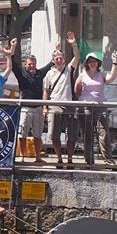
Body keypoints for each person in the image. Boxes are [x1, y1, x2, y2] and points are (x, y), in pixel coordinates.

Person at [12, 35, 63, 163]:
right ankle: (22, 156)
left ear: (36, 64)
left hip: (38, 109)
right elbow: (13, 65)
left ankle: (37, 157)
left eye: (33, 64)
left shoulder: (40, 73)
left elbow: (52, 62)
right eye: (29, 64)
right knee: (22, 134)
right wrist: (12, 48)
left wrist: (57, 48)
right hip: (25, 108)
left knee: (37, 135)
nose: (31, 66)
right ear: (26, 64)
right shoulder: (22, 75)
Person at [74, 50, 117, 167]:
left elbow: (111, 78)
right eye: (90, 62)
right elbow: (77, 89)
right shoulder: (82, 75)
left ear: (98, 63)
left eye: (94, 61)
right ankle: (89, 161)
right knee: (87, 135)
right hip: (86, 107)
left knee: (104, 133)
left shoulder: (102, 74)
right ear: (87, 63)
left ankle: (108, 160)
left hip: (100, 106)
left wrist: (114, 63)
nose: (92, 63)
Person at [44, 33, 81, 168]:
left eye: (61, 57)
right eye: (56, 58)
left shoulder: (69, 69)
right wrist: (45, 107)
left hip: (69, 105)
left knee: (71, 136)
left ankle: (70, 158)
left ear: (64, 59)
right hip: (54, 105)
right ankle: (59, 158)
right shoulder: (49, 73)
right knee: (54, 135)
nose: (59, 59)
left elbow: (77, 56)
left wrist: (73, 44)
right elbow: (46, 91)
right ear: (53, 60)